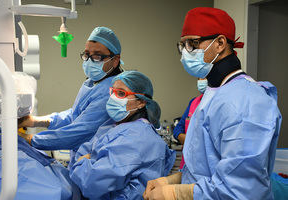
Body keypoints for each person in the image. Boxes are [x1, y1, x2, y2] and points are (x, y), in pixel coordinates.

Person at [144, 7, 282, 200]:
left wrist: (177, 193)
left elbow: (241, 190)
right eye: (182, 45)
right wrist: (174, 180)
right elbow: (206, 166)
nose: (185, 53)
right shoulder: (214, 93)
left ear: (220, 43)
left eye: (192, 44)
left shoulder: (246, 101)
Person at [18, 27, 123, 168]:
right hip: (82, 160)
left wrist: (31, 140)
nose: (90, 61)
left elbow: (80, 131)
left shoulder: (113, 90)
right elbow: (75, 115)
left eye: (97, 56)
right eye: (87, 55)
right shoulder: (92, 82)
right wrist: (37, 121)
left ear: (115, 60)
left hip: (99, 165)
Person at [69, 71, 176, 199]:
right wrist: (87, 160)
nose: (113, 98)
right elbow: (88, 152)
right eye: (112, 92)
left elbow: (92, 181)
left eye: (121, 93)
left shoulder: (137, 137)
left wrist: (82, 162)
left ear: (141, 102)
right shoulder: (118, 127)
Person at [173, 78, 207, 169]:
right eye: (199, 78)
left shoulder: (216, 102)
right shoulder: (194, 102)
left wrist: (191, 141)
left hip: (204, 163)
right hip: (187, 162)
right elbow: (177, 129)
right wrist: (183, 137)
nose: (201, 80)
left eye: (204, 77)